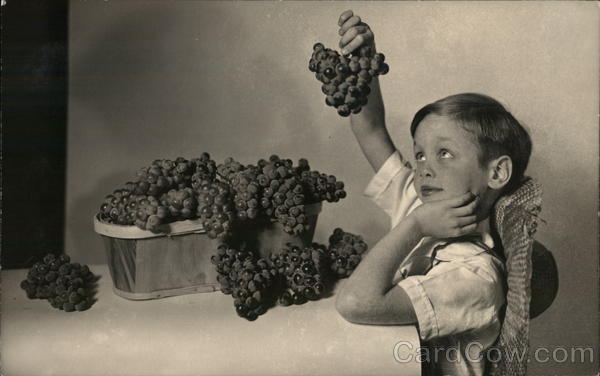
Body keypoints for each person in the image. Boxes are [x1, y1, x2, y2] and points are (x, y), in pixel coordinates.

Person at [333, 10, 534, 375]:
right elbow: (371, 131)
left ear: (497, 172)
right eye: (420, 153)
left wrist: (415, 225)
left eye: (444, 153)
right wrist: (363, 59)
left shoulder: (476, 277)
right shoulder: (422, 199)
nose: (424, 166)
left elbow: (354, 302)